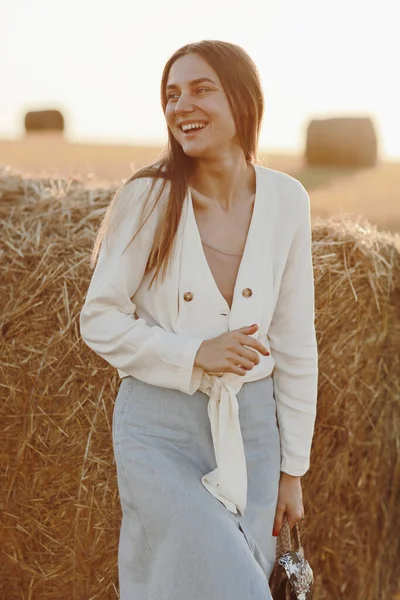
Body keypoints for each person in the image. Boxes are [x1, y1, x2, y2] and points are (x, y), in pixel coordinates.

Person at [80, 39, 318, 600]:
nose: (181, 105)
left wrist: (293, 470)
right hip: (159, 431)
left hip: (254, 431)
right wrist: (192, 353)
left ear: (243, 99)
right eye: (171, 94)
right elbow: (99, 318)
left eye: (201, 88)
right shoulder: (148, 196)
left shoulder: (289, 200)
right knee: (231, 587)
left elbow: (296, 342)